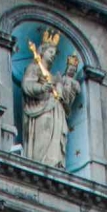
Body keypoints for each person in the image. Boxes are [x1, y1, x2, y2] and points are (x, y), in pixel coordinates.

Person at [21, 31, 82, 169]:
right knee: (44, 131)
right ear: (42, 51)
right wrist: (42, 88)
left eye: (54, 53)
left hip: (56, 110)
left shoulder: (54, 76)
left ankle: (55, 162)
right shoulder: (34, 68)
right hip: (41, 110)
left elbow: (65, 98)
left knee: (56, 137)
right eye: (50, 52)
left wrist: (62, 87)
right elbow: (27, 85)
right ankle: (40, 162)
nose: (53, 55)